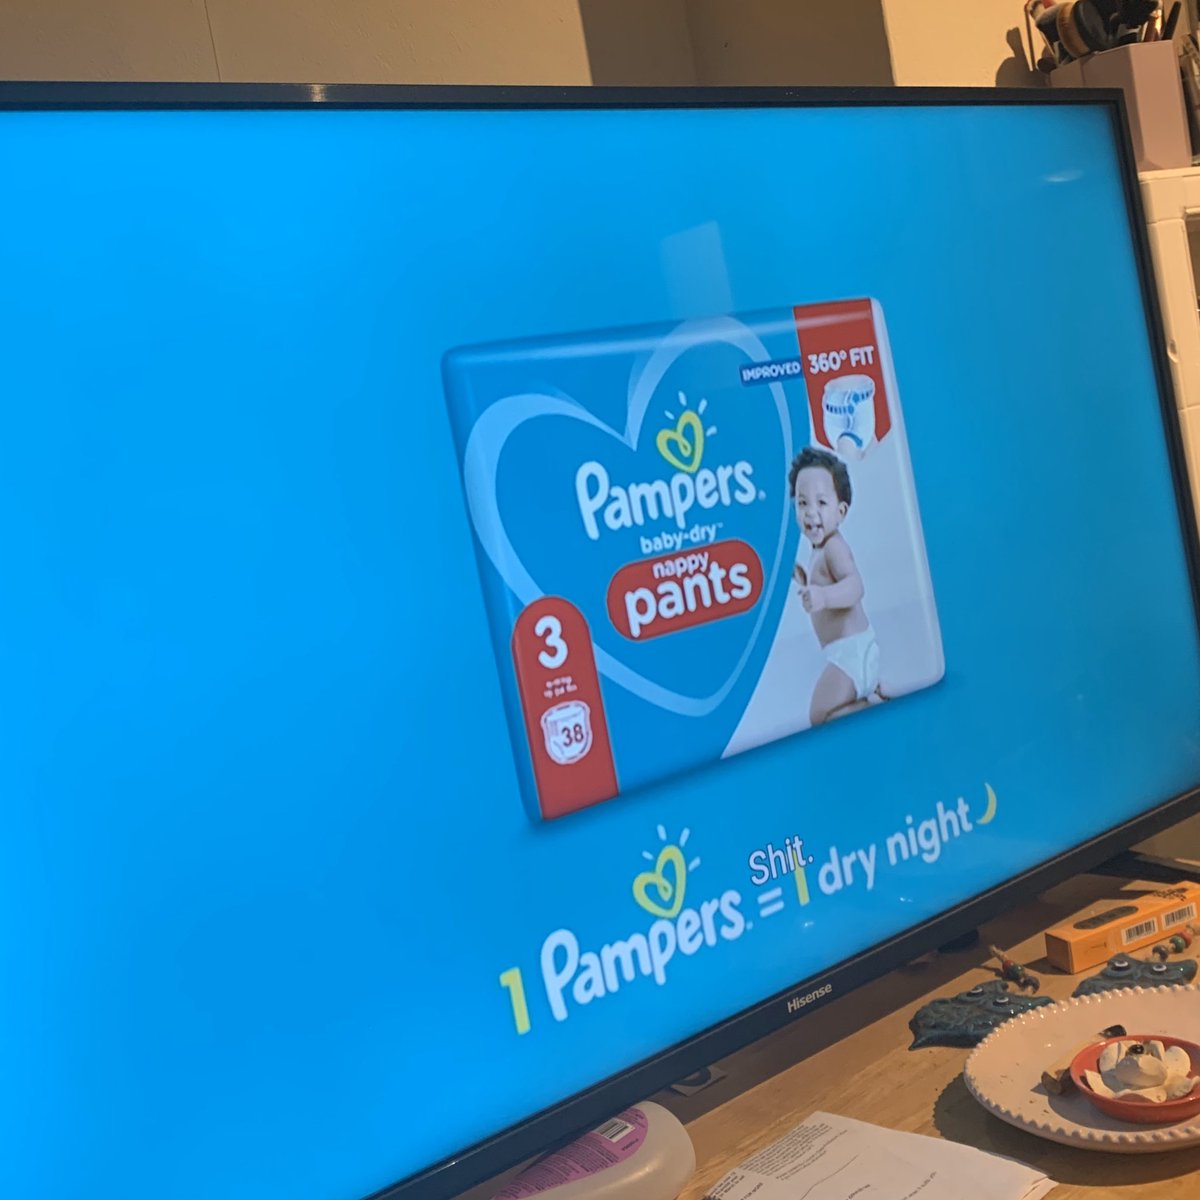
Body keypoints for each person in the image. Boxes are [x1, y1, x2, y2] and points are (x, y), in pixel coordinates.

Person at [789, 446, 883, 725]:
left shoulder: (834, 547)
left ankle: (873, 705)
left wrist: (823, 596)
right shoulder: (819, 549)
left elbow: (855, 586)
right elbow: (822, 581)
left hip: (850, 652)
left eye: (821, 503)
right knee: (827, 714)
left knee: (820, 716)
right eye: (802, 503)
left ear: (841, 511)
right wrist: (803, 579)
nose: (810, 513)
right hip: (849, 651)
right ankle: (869, 698)